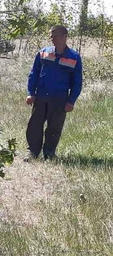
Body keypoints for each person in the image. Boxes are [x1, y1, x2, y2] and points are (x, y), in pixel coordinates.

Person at [25, 25, 82, 160]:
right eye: (51, 36)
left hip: (60, 99)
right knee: (34, 126)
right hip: (41, 97)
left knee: (54, 128)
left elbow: (77, 82)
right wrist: (31, 93)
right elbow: (34, 74)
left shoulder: (74, 57)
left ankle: (49, 153)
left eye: (55, 36)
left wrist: (71, 101)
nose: (52, 39)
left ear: (64, 37)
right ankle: (33, 152)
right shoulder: (43, 53)